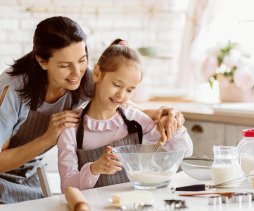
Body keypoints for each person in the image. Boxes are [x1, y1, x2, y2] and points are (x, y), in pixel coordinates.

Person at [0, 16, 184, 204]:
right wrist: (48, 138)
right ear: (42, 61)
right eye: (64, 65)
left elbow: (122, 104)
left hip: (29, 177)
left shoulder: (84, 78)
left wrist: (166, 114)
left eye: (82, 60)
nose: (76, 72)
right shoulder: (12, 89)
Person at [57, 39, 193, 192]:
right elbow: (66, 187)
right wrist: (93, 169)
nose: (121, 95)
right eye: (116, 84)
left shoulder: (135, 120)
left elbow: (184, 150)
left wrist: (173, 126)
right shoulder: (71, 129)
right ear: (96, 74)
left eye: (129, 90)